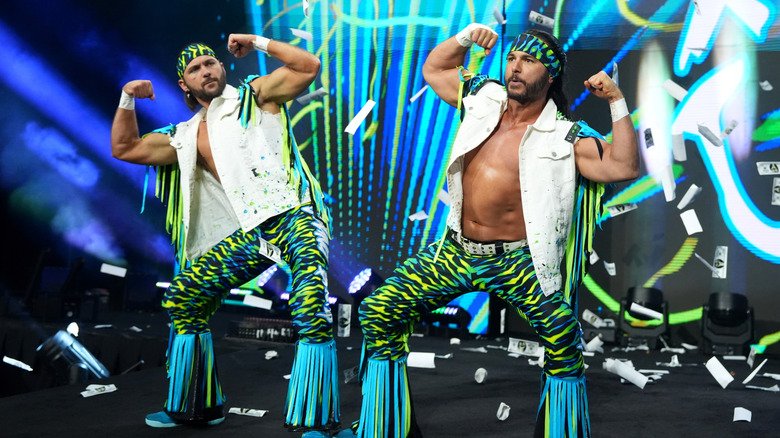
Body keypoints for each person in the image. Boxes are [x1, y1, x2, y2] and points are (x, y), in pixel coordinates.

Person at [353, 24, 639, 437]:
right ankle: (385, 428)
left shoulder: (565, 134)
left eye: (529, 60)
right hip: (454, 252)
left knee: (563, 341)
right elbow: (435, 69)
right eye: (512, 58)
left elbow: (623, 167)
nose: (516, 67)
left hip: (517, 261)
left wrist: (615, 100)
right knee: (379, 311)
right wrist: (466, 37)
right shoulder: (482, 100)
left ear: (551, 73)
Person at [110, 34, 343, 437]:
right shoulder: (185, 135)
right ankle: (196, 406)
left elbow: (308, 67)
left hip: (296, 216)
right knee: (185, 297)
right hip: (253, 232)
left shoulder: (253, 96)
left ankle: (319, 421)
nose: (205, 71)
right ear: (184, 84)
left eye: (210, 63)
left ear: (222, 68)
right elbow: (125, 148)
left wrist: (257, 42)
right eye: (194, 69)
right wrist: (128, 96)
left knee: (309, 309)